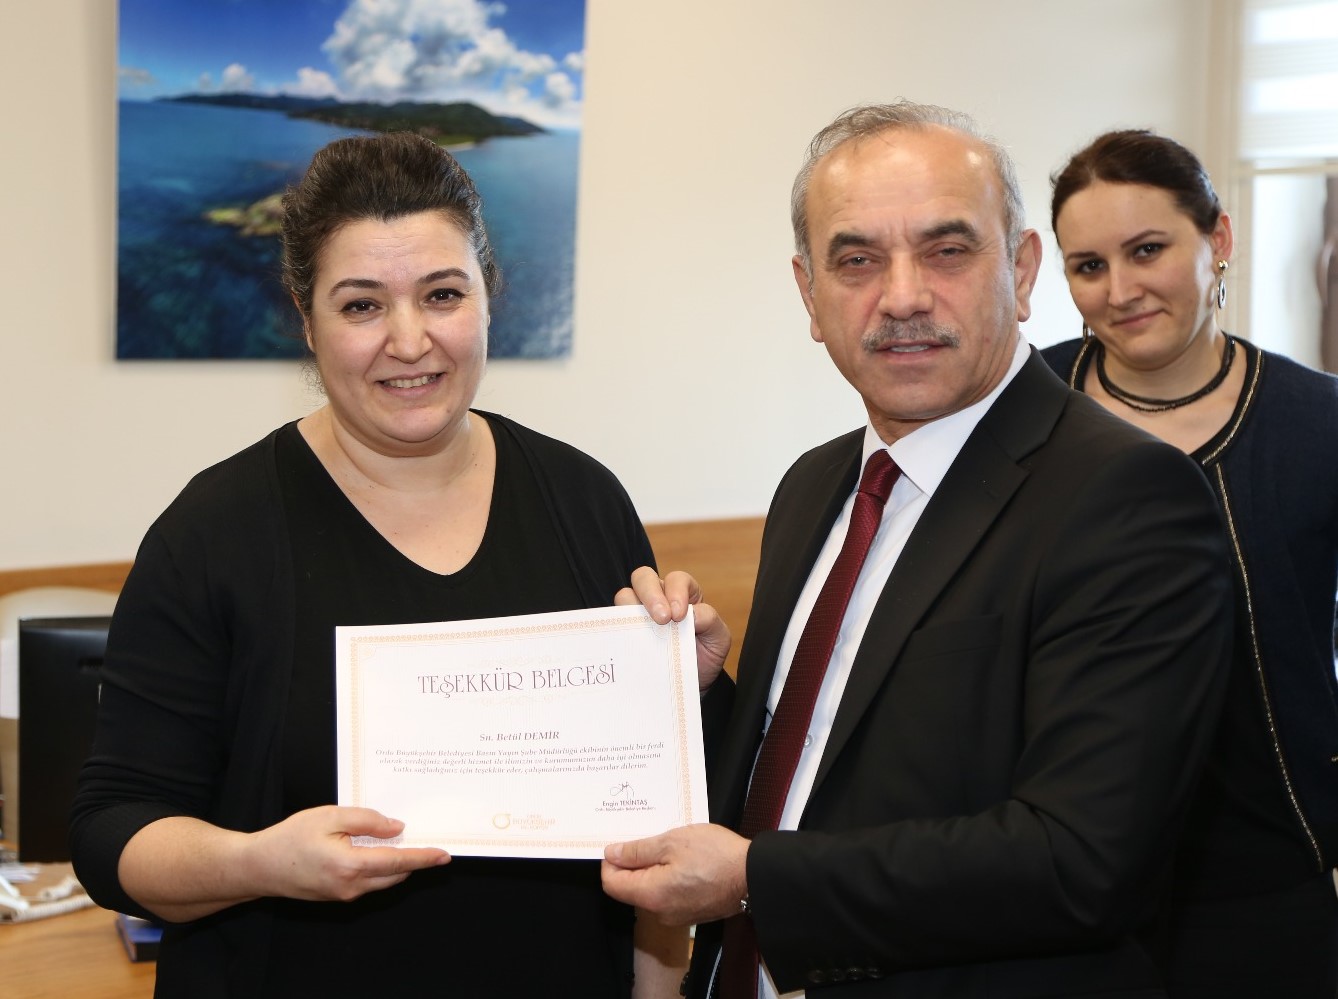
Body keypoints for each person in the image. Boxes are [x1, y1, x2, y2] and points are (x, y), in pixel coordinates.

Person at [600, 101, 1236, 997]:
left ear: (1022, 270)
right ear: (809, 294)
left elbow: (1082, 860)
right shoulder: (815, 485)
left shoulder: (1126, 497)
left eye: (947, 250)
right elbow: (823, 761)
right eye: (857, 260)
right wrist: (700, 696)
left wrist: (754, 881)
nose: (902, 297)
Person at [70, 132, 687, 999]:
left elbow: (660, 815)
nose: (409, 340)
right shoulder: (212, 533)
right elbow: (111, 833)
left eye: (442, 294)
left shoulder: (582, 498)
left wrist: (685, 678)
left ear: (488, 294)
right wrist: (261, 862)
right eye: (362, 304)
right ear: (305, 317)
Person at [1043, 128, 1338, 997]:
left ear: (1219, 239)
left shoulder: (1319, 424)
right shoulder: (1021, 414)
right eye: (1088, 266)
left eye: (1147, 250)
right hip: (1056, 879)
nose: (1120, 290)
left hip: (1274, 878)